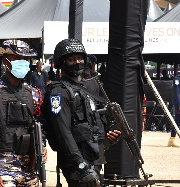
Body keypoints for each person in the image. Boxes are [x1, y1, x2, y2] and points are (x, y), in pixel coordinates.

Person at [42, 38, 121, 187]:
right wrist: (80, 165)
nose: (77, 62)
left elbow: (94, 122)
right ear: (61, 63)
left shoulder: (83, 89)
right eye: (71, 59)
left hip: (94, 157)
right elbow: (62, 132)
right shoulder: (59, 92)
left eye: (79, 58)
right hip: (77, 163)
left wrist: (109, 134)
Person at [0, 40, 47, 187]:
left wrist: (41, 146)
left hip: (29, 168)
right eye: (18, 59)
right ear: (5, 61)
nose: (23, 62)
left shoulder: (33, 93)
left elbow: (40, 125)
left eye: (26, 59)